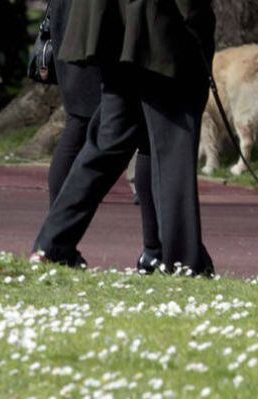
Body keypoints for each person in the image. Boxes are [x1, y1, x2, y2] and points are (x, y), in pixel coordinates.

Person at [31, 0, 216, 276]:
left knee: (109, 140)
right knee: (172, 143)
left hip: (109, 23)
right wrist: (197, 23)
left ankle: (53, 243)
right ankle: (182, 261)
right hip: (159, 28)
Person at [46, 0, 162, 271]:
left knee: (88, 128)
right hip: (100, 19)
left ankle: (55, 243)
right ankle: (56, 243)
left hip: (87, 18)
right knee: (94, 128)